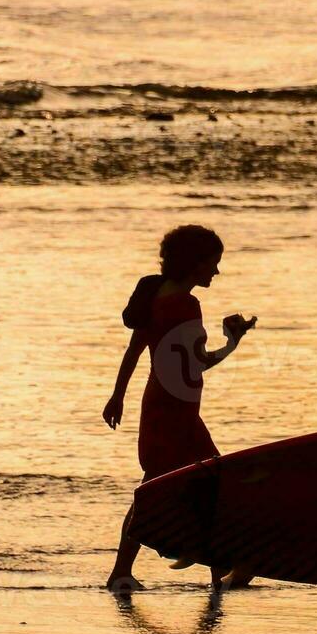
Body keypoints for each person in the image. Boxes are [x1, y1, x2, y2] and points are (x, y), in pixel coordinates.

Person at [102, 224, 257, 593]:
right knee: (202, 484)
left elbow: (136, 350)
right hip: (176, 411)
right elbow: (198, 364)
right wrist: (232, 343)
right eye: (212, 264)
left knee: (166, 487)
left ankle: (135, 569)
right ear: (194, 263)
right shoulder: (186, 304)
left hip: (163, 405)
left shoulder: (156, 296)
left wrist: (117, 395)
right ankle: (213, 566)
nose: (216, 272)